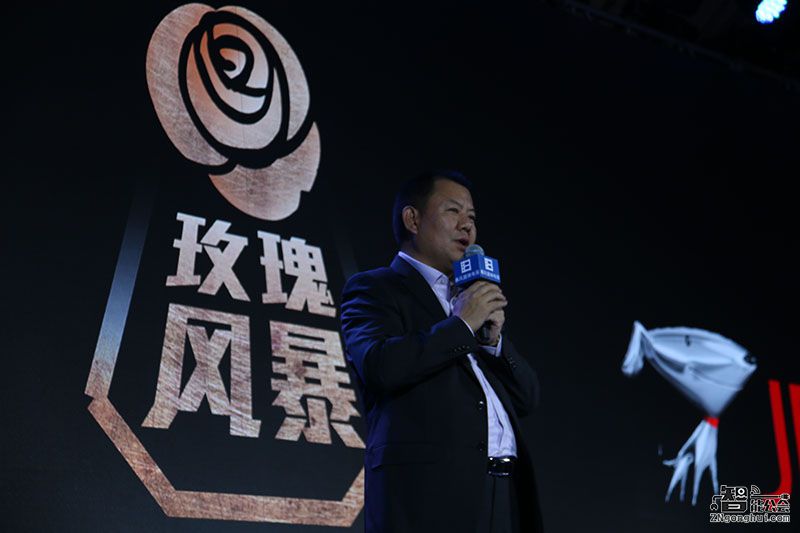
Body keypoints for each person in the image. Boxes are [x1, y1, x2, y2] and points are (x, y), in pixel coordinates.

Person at [340, 171, 543, 533]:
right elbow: (380, 365)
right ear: (412, 219)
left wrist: (493, 343)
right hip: (431, 497)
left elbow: (527, 398)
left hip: (503, 494)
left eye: (472, 216)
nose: (468, 225)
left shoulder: (467, 297)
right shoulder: (375, 288)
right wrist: (461, 325)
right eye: (453, 211)